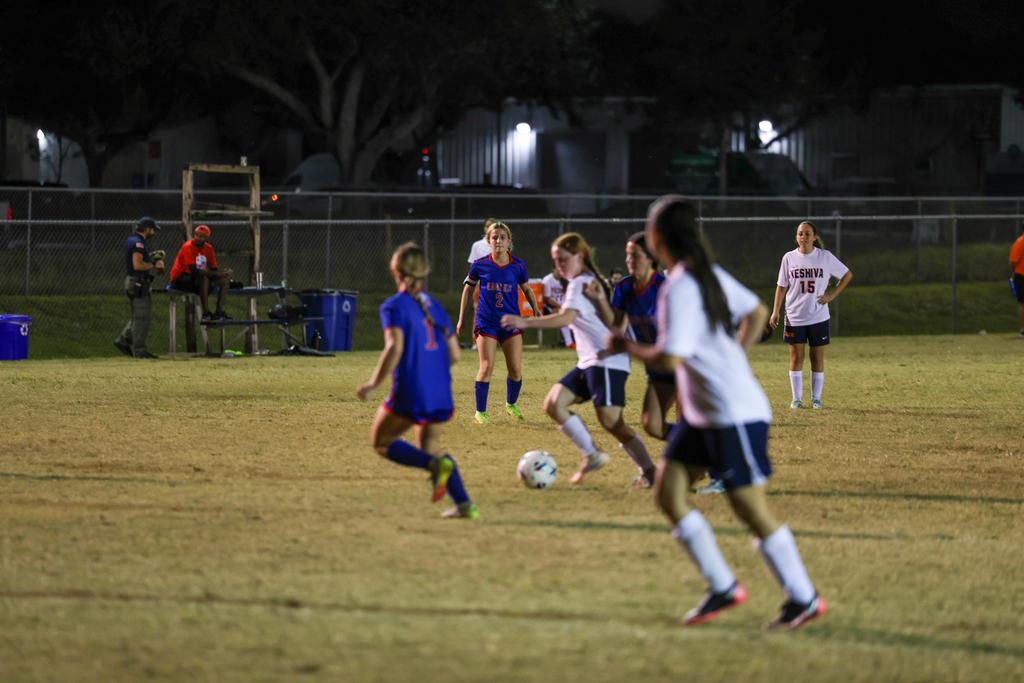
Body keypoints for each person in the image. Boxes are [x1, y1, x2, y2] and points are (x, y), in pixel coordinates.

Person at [610, 195, 826, 629]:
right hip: (702, 414)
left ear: (657, 237)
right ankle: (723, 586)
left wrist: (625, 346)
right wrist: (733, 355)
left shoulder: (681, 286)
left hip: (732, 413)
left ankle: (803, 597)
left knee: (750, 510)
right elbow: (757, 313)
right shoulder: (701, 274)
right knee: (669, 494)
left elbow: (669, 358)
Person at [500, 232, 655, 487]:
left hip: (607, 361)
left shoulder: (580, 282)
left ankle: (651, 470)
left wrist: (525, 322)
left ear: (579, 256)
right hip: (591, 361)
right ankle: (591, 453)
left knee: (612, 423)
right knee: (554, 403)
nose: (559, 265)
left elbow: (566, 318)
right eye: (555, 260)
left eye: (563, 259)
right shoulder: (583, 280)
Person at [356, 242, 478, 520]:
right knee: (429, 448)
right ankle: (465, 505)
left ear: (395, 271)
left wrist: (373, 385)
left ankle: (438, 466)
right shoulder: (434, 306)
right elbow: (455, 354)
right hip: (440, 391)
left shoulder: (394, 306)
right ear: (424, 271)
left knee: (382, 442)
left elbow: (394, 347)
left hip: (413, 391)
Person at [456, 221, 540, 424]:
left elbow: (526, 289)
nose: (498, 241)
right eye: (494, 237)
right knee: (486, 366)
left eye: (503, 237)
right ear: (488, 241)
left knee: (515, 369)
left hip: (511, 323)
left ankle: (511, 404)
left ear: (509, 241)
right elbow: (468, 289)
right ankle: (480, 412)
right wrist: (461, 318)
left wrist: (536, 310)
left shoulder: (518, 265)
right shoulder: (480, 264)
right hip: (487, 322)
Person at [769, 221, 853, 410]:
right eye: (800, 233)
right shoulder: (789, 258)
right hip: (794, 316)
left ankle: (816, 399)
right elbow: (781, 287)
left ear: (815, 237)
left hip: (818, 316)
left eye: (807, 234)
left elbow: (847, 275)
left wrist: (831, 295)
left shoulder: (825, 257)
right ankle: (796, 399)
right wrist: (775, 311)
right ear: (796, 237)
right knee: (796, 358)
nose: (803, 237)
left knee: (817, 357)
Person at [114, 216, 165, 359]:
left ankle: (123, 340)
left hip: (134, 282)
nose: (153, 233)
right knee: (142, 319)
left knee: (137, 317)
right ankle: (139, 350)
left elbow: (138, 260)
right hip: (138, 282)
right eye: (153, 230)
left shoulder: (133, 240)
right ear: (147, 229)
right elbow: (137, 265)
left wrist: (151, 256)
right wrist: (154, 264)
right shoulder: (139, 243)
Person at [168, 224, 233, 320]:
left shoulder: (208, 248)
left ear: (207, 238)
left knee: (225, 281)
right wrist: (215, 273)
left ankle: (219, 312)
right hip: (180, 278)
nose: (198, 238)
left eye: (202, 236)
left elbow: (214, 268)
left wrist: (222, 274)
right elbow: (194, 271)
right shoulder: (187, 247)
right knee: (204, 278)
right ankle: (206, 313)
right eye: (197, 235)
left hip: (197, 279)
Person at [540, 270, 574, 348]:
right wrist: (560, 306)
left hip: (565, 306)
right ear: (554, 269)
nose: (561, 271)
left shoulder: (567, 280)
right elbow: (547, 299)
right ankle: (569, 342)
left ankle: (579, 341)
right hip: (550, 307)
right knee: (563, 315)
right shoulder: (547, 280)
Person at [1010, 227, 1024, 336]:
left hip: (1021, 274)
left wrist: (1013, 271)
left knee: (1022, 303)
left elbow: (1013, 261)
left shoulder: (1020, 242)